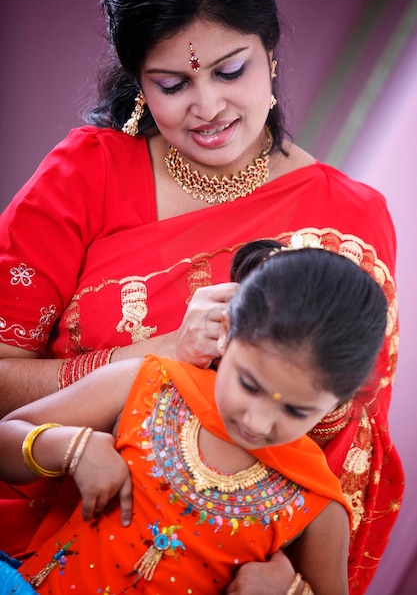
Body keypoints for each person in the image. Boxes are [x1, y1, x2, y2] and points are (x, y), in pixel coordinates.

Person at [0, 0, 403, 591]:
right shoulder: (86, 175)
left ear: (270, 54)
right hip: (26, 543)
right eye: (173, 83)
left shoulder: (350, 224)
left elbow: (340, 448)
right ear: (139, 81)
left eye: (230, 71)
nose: (208, 107)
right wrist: (163, 354)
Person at [0, 241, 389, 595]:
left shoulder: (318, 503)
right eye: (249, 384)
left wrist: (290, 592)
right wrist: (70, 449)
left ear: (337, 401)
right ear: (225, 333)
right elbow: (6, 436)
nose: (256, 420)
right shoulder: (149, 383)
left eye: (295, 410)